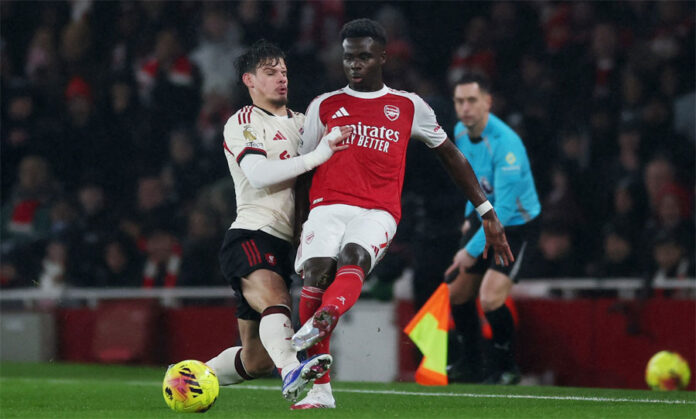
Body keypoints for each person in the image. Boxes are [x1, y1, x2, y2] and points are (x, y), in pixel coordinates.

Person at [290, 19, 514, 409]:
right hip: (326, 205)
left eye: (363, 56)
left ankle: (327, 314)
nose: (355, 64)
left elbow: (452, 156)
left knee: (354, 257)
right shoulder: (323, 105)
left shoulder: (409, 106)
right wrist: (294, 223)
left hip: (378, 210)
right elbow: (303, 167)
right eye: (348, 57)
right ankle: (320, 390)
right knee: (316, 273)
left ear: (382, 57)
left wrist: (486, 210)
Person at [201, 40, 351, 403]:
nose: (281, 78)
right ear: (249, 80)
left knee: (256, 360)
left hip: (288, 245)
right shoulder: (244, 122)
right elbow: (258, 174)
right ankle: (292, 371)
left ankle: (192, 375)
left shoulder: (304, 124)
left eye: (283, 72)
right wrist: (317, 155)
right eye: (270, 72)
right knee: (276, 298)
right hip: (252, 233)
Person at [444, 73, 541, 385]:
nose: (465, 108)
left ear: (487, 102)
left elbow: (507, 209)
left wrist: (470, 251)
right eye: (460, 101)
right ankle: (470, 364)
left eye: (472, 100)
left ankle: (506, 367)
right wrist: (467, 218)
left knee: (489, 298)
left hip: (515, 225)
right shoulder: (460, 132)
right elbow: (470, 181)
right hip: (485, 217)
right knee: (458, 292)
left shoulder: (507, 144)